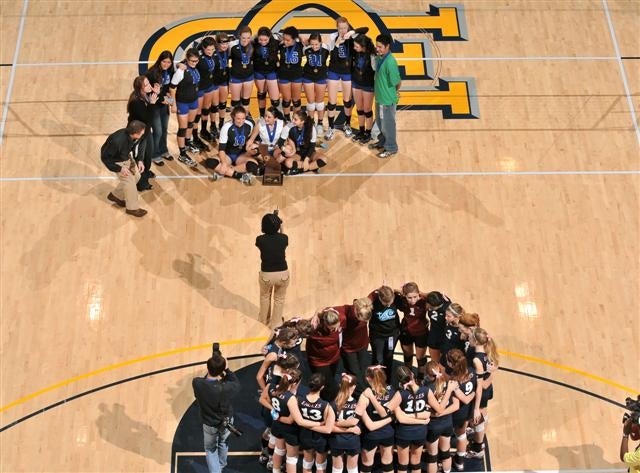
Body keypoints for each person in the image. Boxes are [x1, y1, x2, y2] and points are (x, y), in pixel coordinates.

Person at [192, 352, 241, 473]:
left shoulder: (197, 383)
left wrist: (216, 368)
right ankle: (220, 466)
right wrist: (227, 370)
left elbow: (206, 380)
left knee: (210, 449)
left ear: (207, 368)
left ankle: (217, 470)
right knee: (223, 442)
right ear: (221, 370)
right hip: (225, 421)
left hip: (209, 422)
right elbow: (236, 384)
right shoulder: (226, 388)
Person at [101, 120, 147, 217]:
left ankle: (115, 196)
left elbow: (137, 148)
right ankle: (132, 209)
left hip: (126, 157)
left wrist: (140, 160)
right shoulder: (117, 141)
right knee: (130, 182)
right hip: (116, 161)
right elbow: (105, 158)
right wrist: (119, 168)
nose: (143, 134)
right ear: (135, 134)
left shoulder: (134, 137)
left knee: (137, 176)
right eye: (142, 133)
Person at [467, 327, 499, 459]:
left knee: (479, 416)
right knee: (483, 414)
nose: (468, 338)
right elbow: (495, 368)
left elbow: (480, 386)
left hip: (482, 391)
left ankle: (478, 447)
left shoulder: (476, 360)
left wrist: (475, 408)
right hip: (487, 388)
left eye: (470, 337)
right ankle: (479, 440)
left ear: (475, 341)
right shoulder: (489, 351)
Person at [369, 33, 401, 158]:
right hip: (380, 98)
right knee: (381, 123)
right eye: (377, 46)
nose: (378, 49)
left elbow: (397, 82)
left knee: (388, 126)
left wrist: (394, 93)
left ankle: (391, 147)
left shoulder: (390, 62)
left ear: (387, 47)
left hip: (387, 101)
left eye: (380, 47)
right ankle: (383, 142)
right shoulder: (380, 57)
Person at [208, 106, 259, 184]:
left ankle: (226, 172)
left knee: (253, 166)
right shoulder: (226, 127)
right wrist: (224, 164)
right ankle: (240, 176)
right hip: (228, 154)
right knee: (211, 162)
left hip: (242, 154)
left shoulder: (249, 124)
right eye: (238, 119)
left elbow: (257, 127)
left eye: (243, 118)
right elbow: (221, 149)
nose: (241, 121)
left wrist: (252, 141)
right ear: (233, 117)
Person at [255, 210, 289, 326]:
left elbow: (267, 237)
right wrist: (278, 220)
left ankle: (263, 322)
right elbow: (282, 234)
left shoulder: (260, 240)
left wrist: (275, 220)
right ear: (278, 226)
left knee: (265, 297)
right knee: (279, 300)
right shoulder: (284, 239)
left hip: (267, 275)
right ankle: (276, 324)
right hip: (282, 274)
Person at [169, 47, 201, 167]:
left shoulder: (194, 67)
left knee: (190, 124)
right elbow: (172, 88)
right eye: (192, 61)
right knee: (182, 128)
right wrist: (173, 104)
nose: (194, 63)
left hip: (193, 101)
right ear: (187, 60)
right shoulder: (181, 71)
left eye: (196, 61)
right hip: (182, 103)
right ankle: (182, 153)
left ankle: (188, 143)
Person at [298, 374, 335, 473]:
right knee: (320, 466)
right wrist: (316, 425)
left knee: (307, 464)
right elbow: (328, 429)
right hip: (320, 438)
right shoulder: (326, 405)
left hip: (305, 436)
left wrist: (307, 425)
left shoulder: (299, 400)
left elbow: (296, 419)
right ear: (322, 387)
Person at [336, 298, 373, 396]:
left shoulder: (366, 307)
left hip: (363, 345)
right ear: (356, 310)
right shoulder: (345, 311)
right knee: (355, 373)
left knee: (364, 372)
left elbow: (376, 295)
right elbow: (324, 310)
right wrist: (316, 314)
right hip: (349, 349)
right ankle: (363, 395)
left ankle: (364, 393)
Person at [126, 75, 158, 191]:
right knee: (141, 157)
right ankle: (141, 183)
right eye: (146, 85)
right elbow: (148, 118)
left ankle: (146, 172)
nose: (150, 86)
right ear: (140, 88)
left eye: (148, 83)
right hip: (139, 134)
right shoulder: (136, 102)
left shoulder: (144, 95)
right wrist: (152, 104)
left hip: (145, 131)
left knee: (149, 154)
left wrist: (155, 95)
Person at [306, 308, 342, 401]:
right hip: (319, 361)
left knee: (331, 379)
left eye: (336, 326)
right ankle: (327, 405)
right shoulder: (313, 326)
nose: (335, 329)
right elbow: (298, 328)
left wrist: (317, 311)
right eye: (332, 328)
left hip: (334, 357)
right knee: (327, 385)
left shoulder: (338, 317)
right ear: (325, 324)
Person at [145, 50, 175, 164]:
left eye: (169, 62)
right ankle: (154, 154)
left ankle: (163, 150)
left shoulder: (170, 71)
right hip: (154, 105)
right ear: (160, 61)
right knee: (157, 131)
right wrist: (169, 100)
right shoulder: (152, 73)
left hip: (163, 104)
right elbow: (149, 91)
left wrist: (167, 96)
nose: (166, 64)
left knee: (164, 129)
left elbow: (167, 87)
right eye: (164, 62)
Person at [368, 285, 402, 381]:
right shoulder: (373, 302)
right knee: (378, 359)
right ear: (379, 298)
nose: (388, 305)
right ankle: (377, 381)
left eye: (390, 303)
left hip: (392, 335)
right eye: (385, 303)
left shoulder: (396, 298)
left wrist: (401, 293)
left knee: (389, 357)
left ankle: (388, 381)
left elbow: (406, 306)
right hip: (377, 336)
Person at [396, 282, 430, 381]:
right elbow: (389, 293)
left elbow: (437, 296)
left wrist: (422, 294)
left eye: (415, 296)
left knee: (420, 358)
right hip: (406, 332)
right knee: (408, 356)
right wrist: (398, 291)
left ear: (419, 294)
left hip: (421, 333)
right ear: (404, 296)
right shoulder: (402, 301)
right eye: (409, 298)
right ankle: (408, 377)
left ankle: (420, 377)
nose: (413, 300)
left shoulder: (424, 301)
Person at [329, 374, 362, 473]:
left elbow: (329, 427)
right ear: (354, 386)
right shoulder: (358, 404)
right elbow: (359, 428)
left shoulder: (333, 403)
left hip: (337, 440)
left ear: (340, 385)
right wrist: (351, 429)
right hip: (352, 440)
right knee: (352, 470)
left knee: (337, 470)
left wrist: (338, 424)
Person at [302, 33, 329, 137]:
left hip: (321, 76)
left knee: (320, 102)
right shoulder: (306, 49)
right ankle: (311, 123)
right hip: (308, 76)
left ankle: (320, 123)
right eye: (312, 44)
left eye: (317, 44)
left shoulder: (326, 49)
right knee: (311, 103)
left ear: (321, 43)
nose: (314, 47)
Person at [350, 34, 376, 144]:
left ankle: (368, 133)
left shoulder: (372, 54)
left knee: (367, 110)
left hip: (368, 85)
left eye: (356, 46)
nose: (354, 48)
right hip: (356, 83)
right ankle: (361, 131)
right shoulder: (355, 52)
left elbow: (375, 68)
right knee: (359, 109)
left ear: (363, 46)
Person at [277, 26, 304, 121]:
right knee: (286, 100)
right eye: (284, 39)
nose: (285, 41)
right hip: (284, 75)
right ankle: (287, 119)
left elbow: (310, 40)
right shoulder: (281, 45)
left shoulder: (300, 45)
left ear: (294, 39)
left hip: (297, 75)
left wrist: (299, 37)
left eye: (288, 40)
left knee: (296, 100)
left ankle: (297, 119)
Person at [253, 26, 280, 118]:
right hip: (258, 71)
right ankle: (262, 116)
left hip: (271, 71)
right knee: (261, 94)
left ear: (270, 37)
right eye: (261, 39)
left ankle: (274, 117)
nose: (263, 42)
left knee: (275, 100)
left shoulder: (276, 42)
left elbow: (290, 39)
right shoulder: (254, 42)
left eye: (265, 40)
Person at [229, 26, 255, 115]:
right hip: (236, 77)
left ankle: (245, 119)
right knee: (235, 102)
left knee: (246, 101)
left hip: (249, 77)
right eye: (243, 38)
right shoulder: (232, 45)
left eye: (248, 37)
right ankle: (233, 121)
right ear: (240, 36)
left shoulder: (253, 45)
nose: (245, 40)